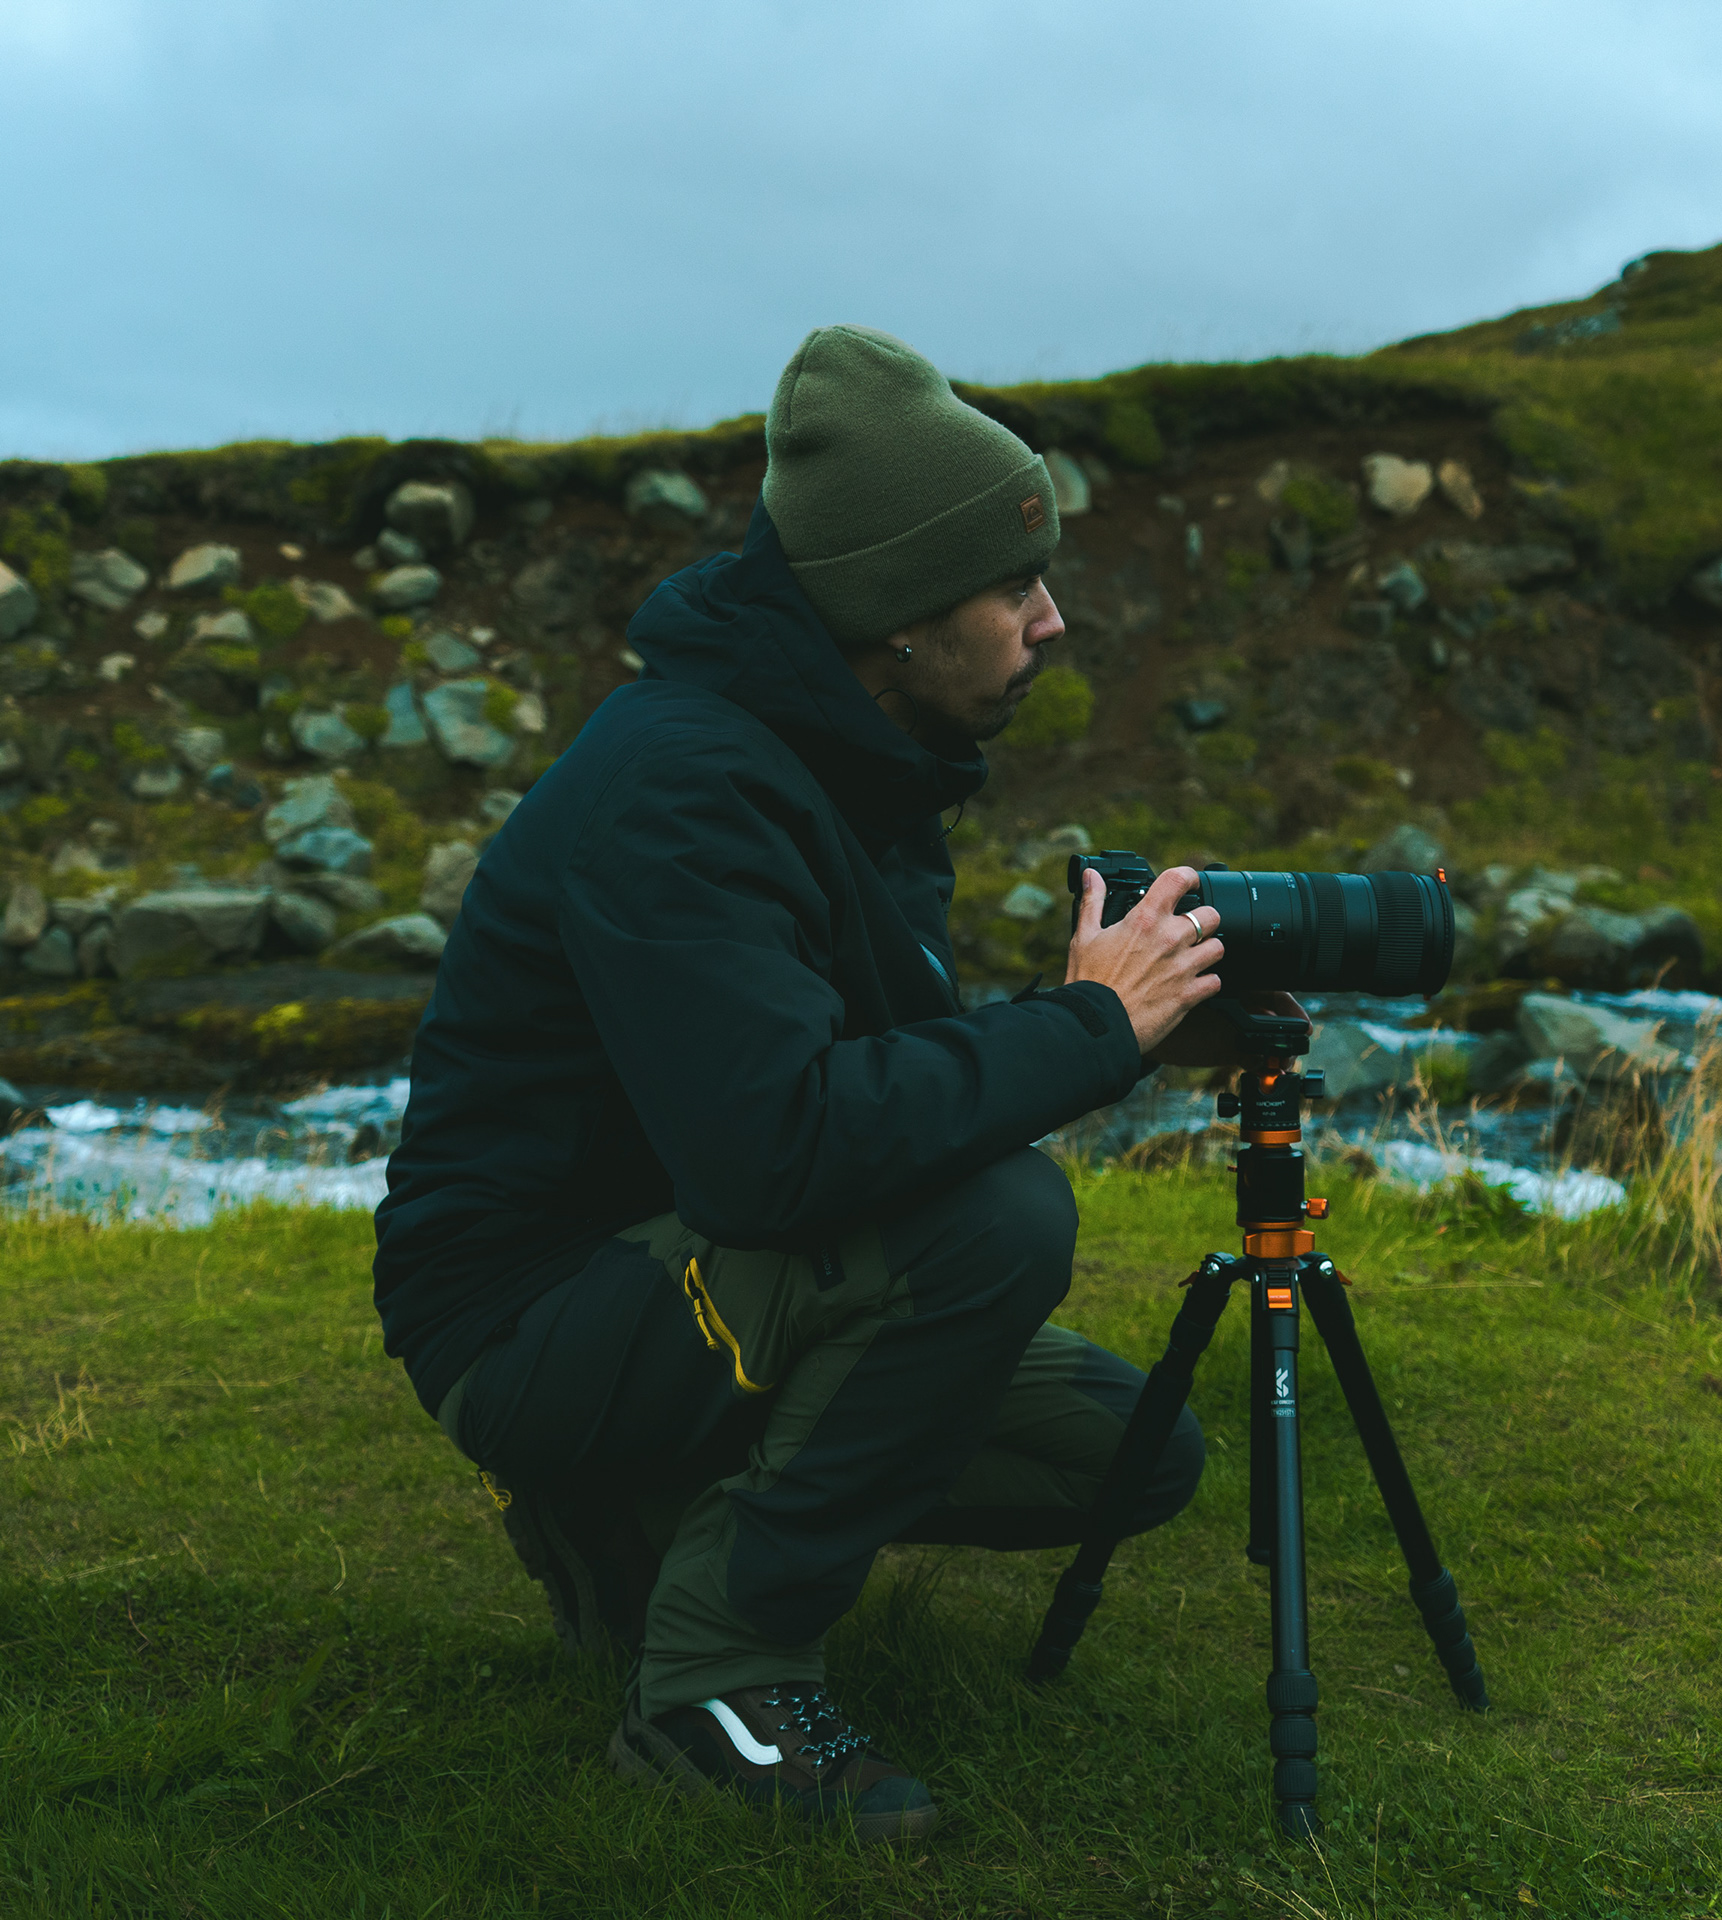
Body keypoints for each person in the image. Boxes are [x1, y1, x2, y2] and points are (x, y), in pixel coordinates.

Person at [373, 324, 1280, 1843]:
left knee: (1129, 1453)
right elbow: (774, 1154)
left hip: (665, 1272)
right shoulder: (685, 787)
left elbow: (832, 1076)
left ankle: (635, 1528)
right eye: (1015, 587)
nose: (1053, 621)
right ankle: (713, 1687)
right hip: (524, 1319)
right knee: (994, 1222)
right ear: (898, 616)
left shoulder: (842, 756)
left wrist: (1130, 1021)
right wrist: (1074, 1035)